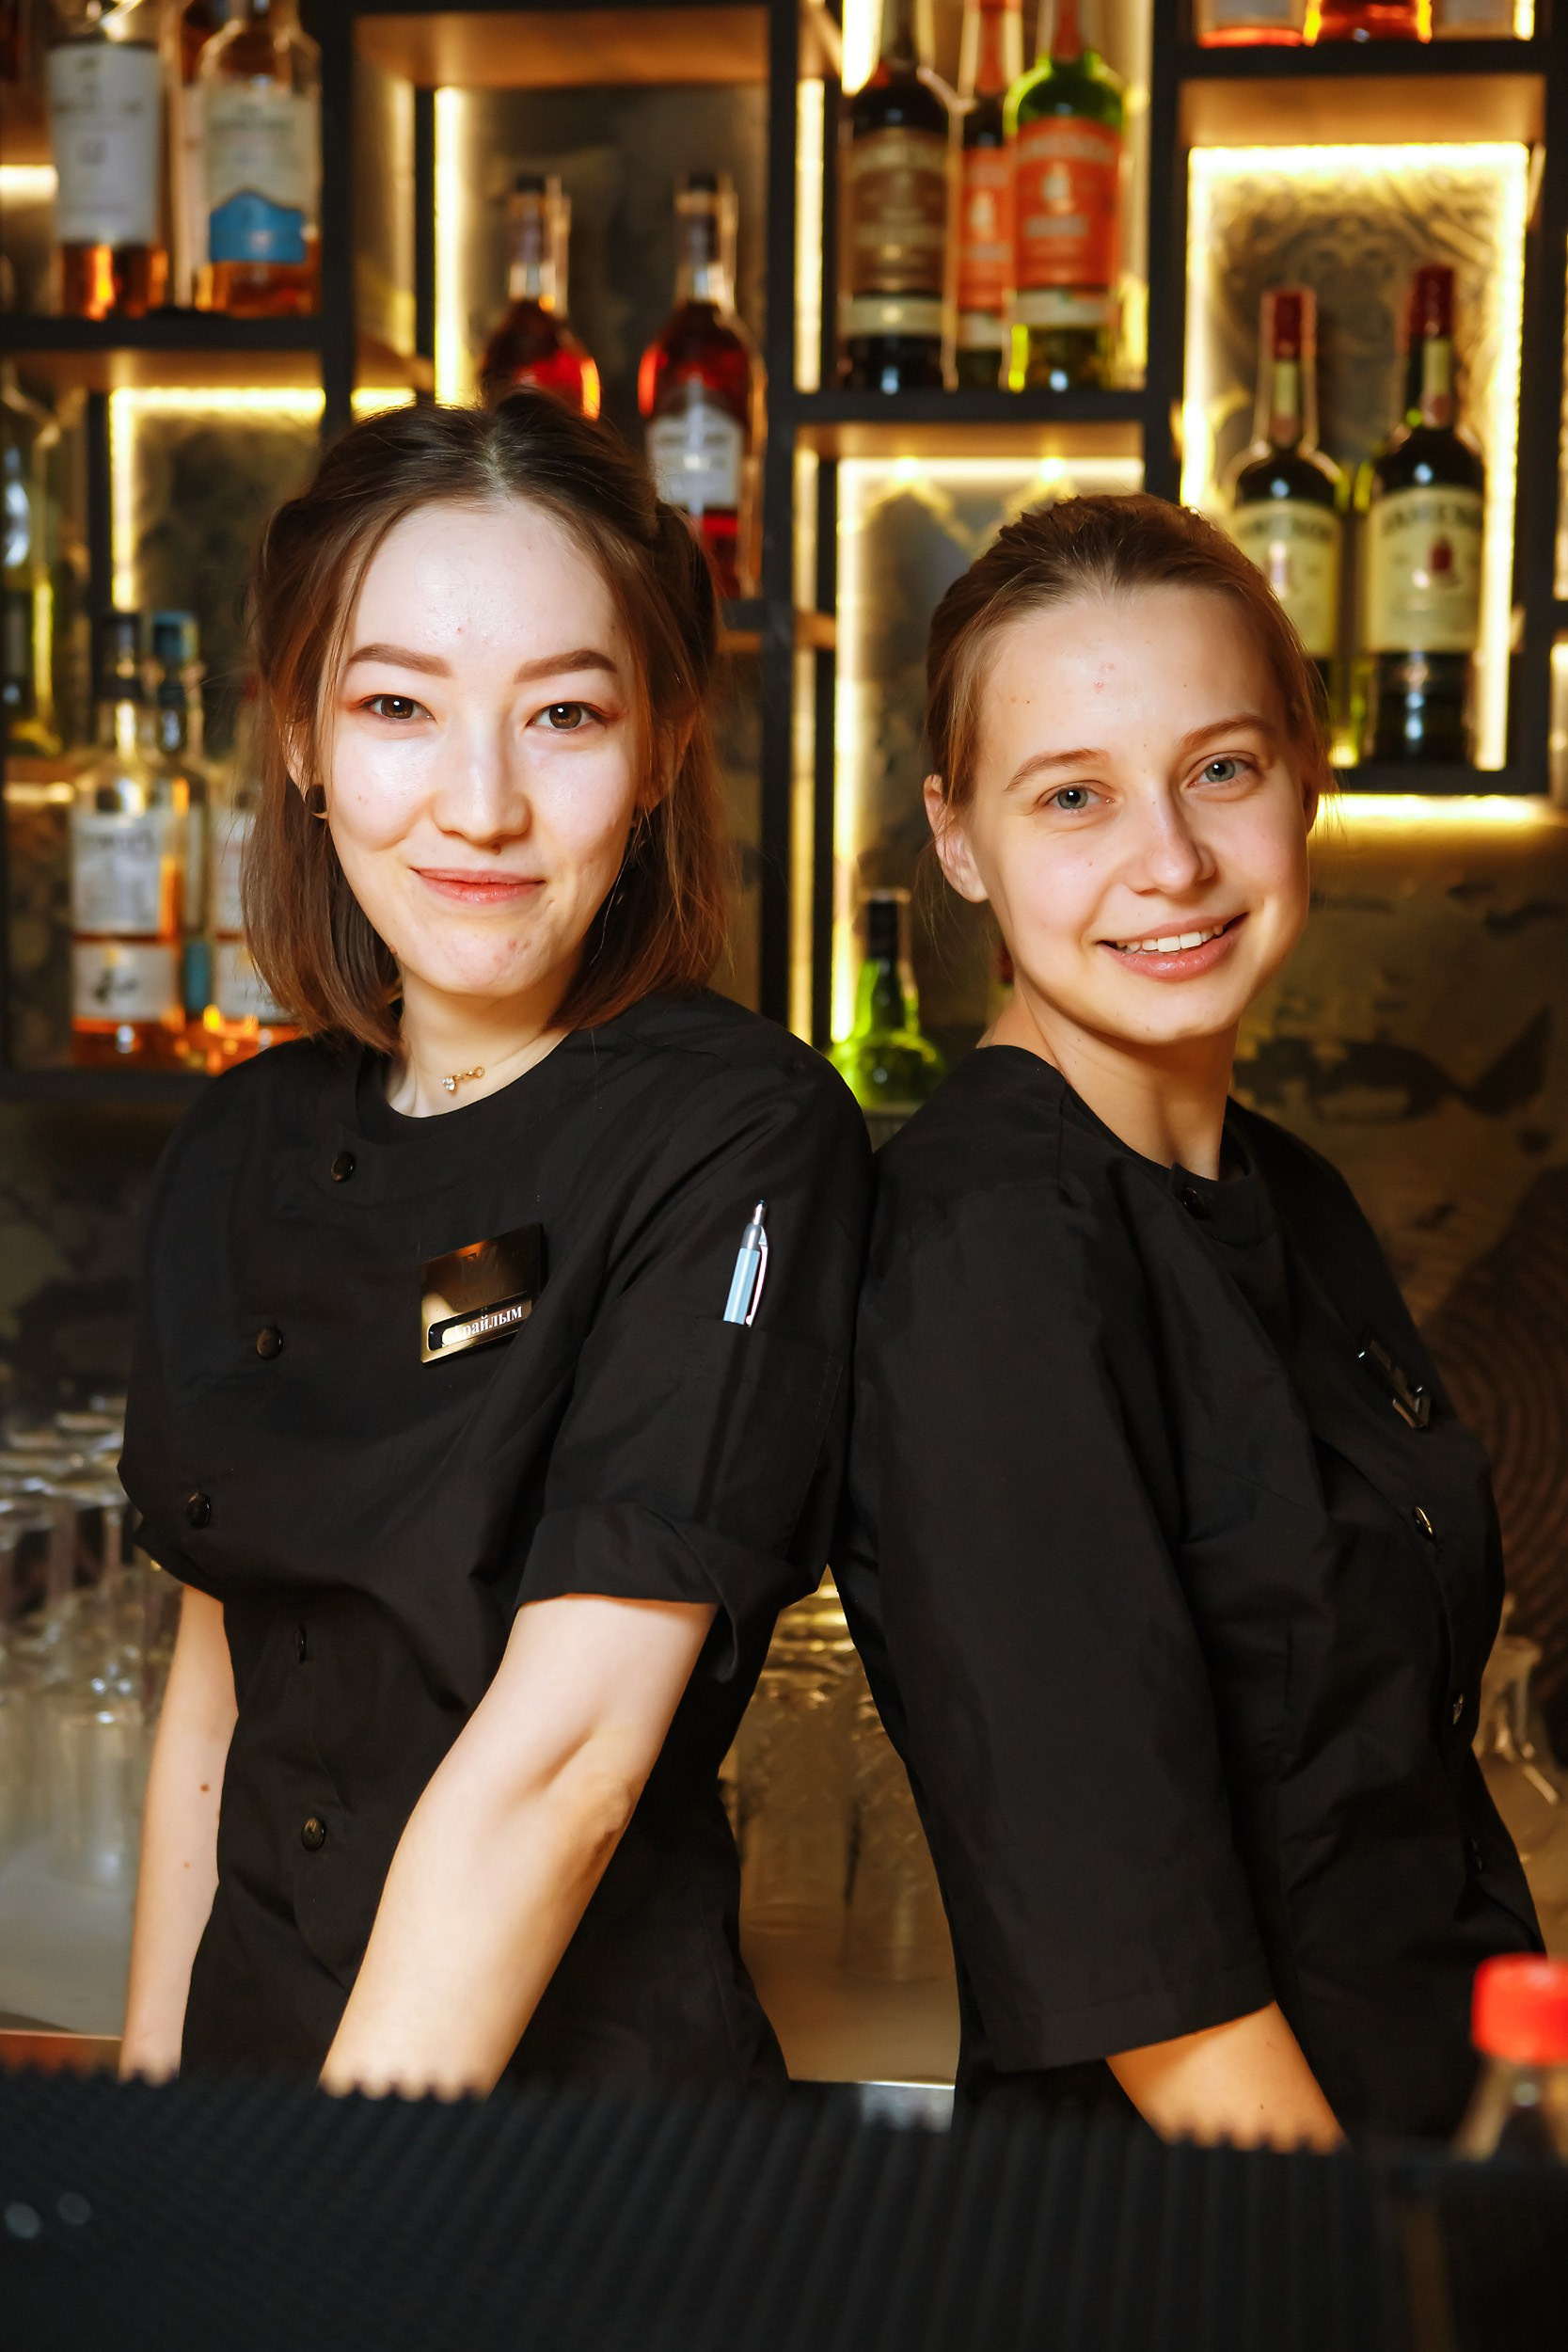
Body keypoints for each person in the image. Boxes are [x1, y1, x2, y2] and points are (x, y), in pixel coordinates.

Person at [118, 392, 870, 2099]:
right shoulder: (236, 1148)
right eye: (397, 705)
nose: (481, 805)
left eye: (565, 716)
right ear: (301, 740)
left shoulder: (739, 1135)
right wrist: (155, 2142)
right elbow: (217, 1684)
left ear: (660, 750)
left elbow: (568, 1767)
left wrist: (330, 2197)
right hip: (255, 2097)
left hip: (566, 2150)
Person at [836, 494, 1542, 2149]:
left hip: (1432, 2142)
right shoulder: (988, 1256)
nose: (1170, 861)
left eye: (1220, 768)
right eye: (1072, 795)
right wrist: (1376, 2266)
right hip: (1214, 2228)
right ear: (958, 841)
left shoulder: (1287, 1192)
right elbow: (1142, 1975)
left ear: (1308, 778)